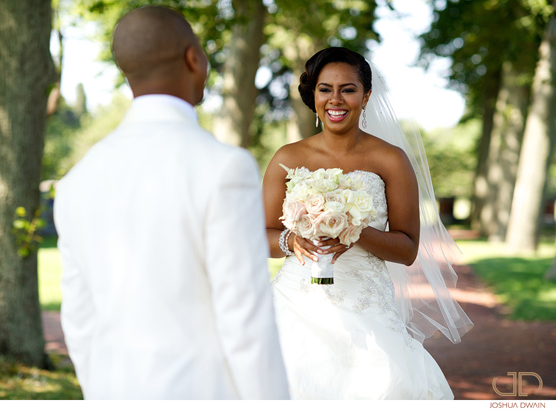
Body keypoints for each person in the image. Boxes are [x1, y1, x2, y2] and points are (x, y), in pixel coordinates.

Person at [53, 5, 289, 400]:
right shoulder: (224, 167)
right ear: (194, 58)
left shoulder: (77, 180)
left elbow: (78, 319)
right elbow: (245, 319)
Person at [263, 47, 473, 399]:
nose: (336, 99)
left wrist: (355, 230)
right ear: (313, 95)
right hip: (295, 301)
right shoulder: (288, 157)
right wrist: (292, 241)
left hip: (368, 306)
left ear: (366, 96)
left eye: (348, 89)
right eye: (325, 89)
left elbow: (407, 249)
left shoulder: (391, 159)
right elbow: (261, 235)